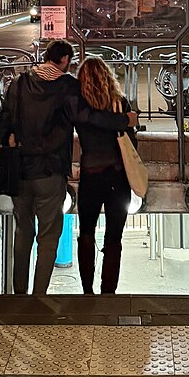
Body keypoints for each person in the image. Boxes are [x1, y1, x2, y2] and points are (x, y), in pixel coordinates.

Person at [0, 40, 137, 295]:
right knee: (49, 238)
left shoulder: (18, 83)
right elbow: (88, 117)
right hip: (50, 171)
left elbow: (4, 120)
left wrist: (11, 140)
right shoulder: (67, 87)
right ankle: (40, 297)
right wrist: (123, 120)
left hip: (18, 171)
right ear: (64, 61)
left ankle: (18, 297)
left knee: (23, 232)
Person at [75, 58, 136, 295]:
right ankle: (108, 291)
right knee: (114, 239)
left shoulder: (80, 106)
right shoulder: (119, 103)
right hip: (118, 178)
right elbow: (131, 140)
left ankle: (87, 290)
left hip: (91, 175)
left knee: (86, 233)